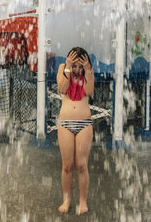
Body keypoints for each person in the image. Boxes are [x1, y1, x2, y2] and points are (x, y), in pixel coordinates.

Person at [56, 47, 95, 214]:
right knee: (67, 166)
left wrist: (87, 69)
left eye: (80, 66)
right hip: (65, 123)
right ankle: (66, 199)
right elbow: (63, 88)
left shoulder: (88, 71)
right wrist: (67, 66)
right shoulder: (63, 69)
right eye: (75, 66)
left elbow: (89, 91)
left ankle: (82, 201)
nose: (77, 70)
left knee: (81, 165)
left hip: (84, 124)